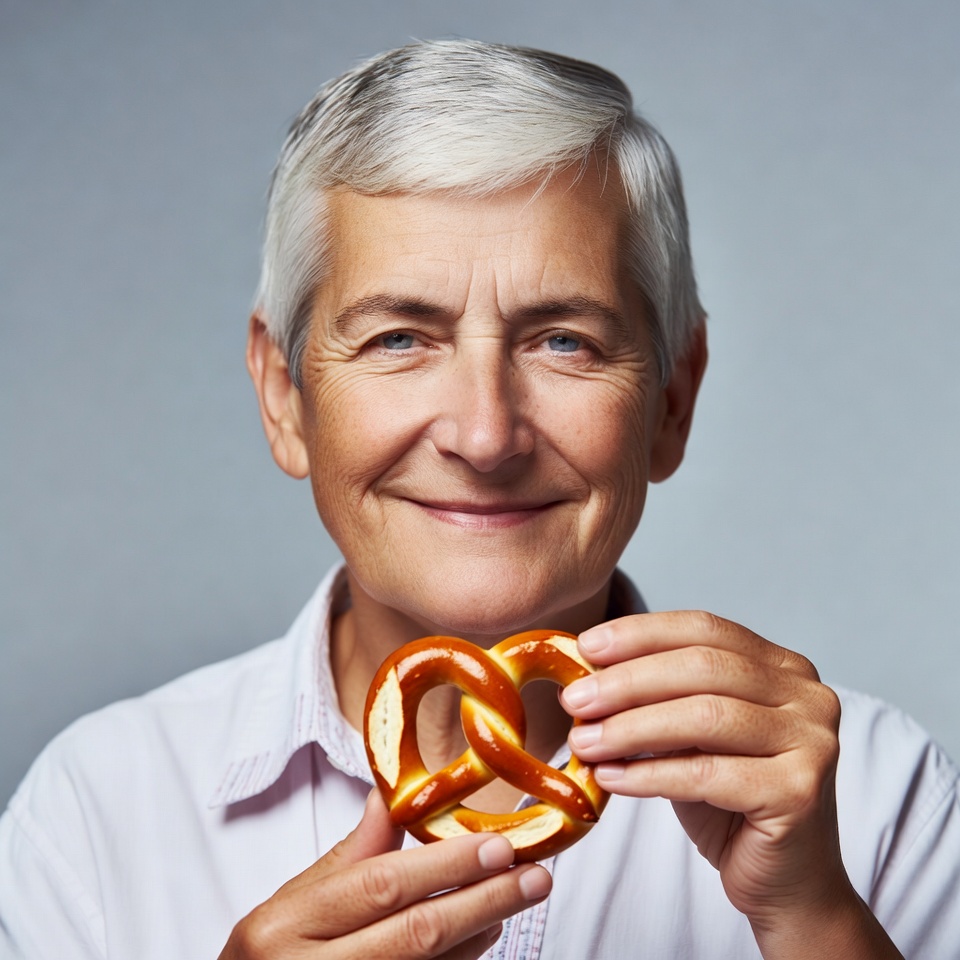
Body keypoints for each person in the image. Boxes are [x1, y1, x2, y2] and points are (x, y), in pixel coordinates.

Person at [1, 39, 957, 960]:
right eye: (399, 339)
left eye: (564, 341)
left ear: (672, 400)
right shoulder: (96, 814)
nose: (486, 434)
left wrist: (818, 922)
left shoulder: (870, 795)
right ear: (285, 398)